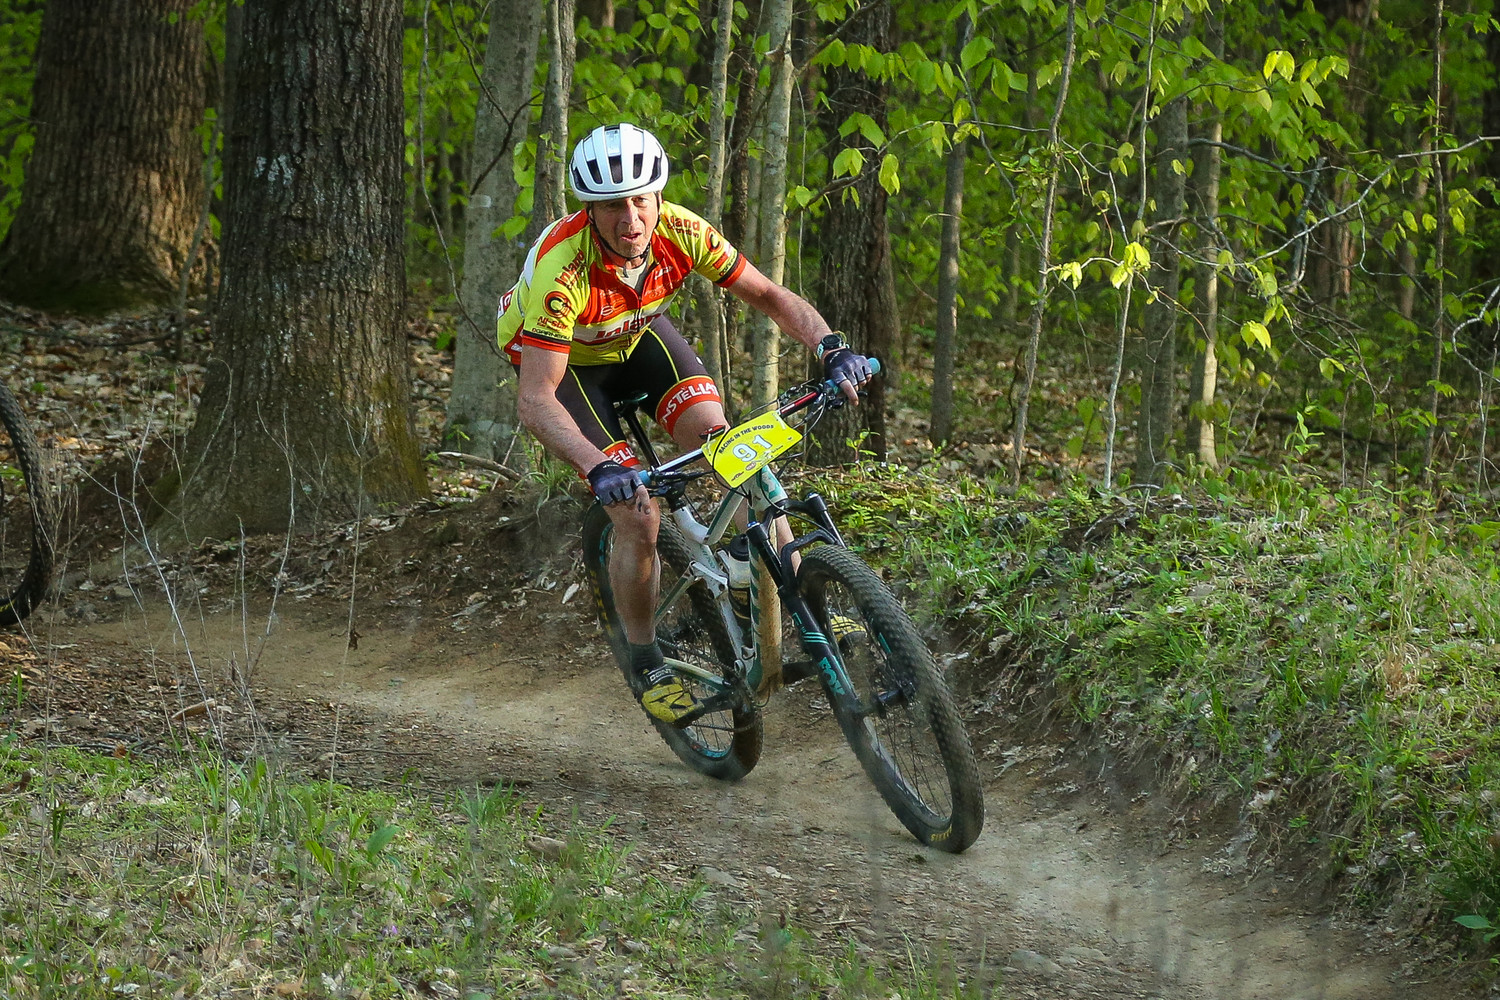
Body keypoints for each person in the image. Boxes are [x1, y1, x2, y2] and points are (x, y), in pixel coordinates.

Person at [500, 122, 874, 725]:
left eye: (640, 201)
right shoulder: (561, 269)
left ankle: (802, 602)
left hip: (634, 334)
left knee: (733, 449)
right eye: (612, 206)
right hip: (565, 365)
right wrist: (598, 468)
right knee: (638, 514)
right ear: (589, 211)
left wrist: (831, 347)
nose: (630, 220)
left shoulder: (682, 230)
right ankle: (646, 658)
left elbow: (769, 295)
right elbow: (535, 399)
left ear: (658, 197)